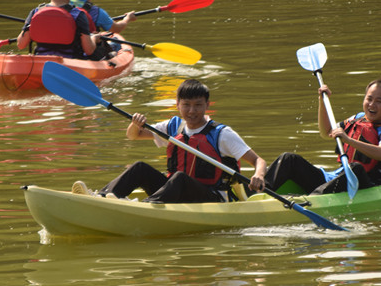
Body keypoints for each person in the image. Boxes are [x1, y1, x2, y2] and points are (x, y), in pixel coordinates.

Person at [72, 79, 267, 203]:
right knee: (140, 167)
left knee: (179, 178)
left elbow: (258, 161)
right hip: (174, 193)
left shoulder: (222, 134)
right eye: (186, 105)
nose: (192, 111)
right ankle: (104, 198)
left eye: (198, 105)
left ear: (207, 105)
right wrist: (135, 124)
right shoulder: (173, 127)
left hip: (211, 197)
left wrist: (258, 175)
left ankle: (147, 207)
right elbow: (133, 136)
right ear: (178, 105)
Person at [264, 77, 381, 195]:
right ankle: (256, 192)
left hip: (368, 185)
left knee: (356, 168)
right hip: (337, 178)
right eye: (369, 99)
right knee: (289, 159)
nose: (372, 105)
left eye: (379, 101)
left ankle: (315, 199)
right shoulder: (359, 118)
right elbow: (326, 132)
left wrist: (348, 140)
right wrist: (322, 100)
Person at [17, 0, 99, 59]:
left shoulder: (36, 12)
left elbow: (21, 44)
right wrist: (94, 38)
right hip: (70, 63)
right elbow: (89, 50)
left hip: (41, 63)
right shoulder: (78, 15)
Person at [70, 0, 136, 60]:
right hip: (90, 55)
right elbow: (117, 28)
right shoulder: (96, 12)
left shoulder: (61, 7)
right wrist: (127, 18)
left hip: (69, 52)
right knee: (116, 42)